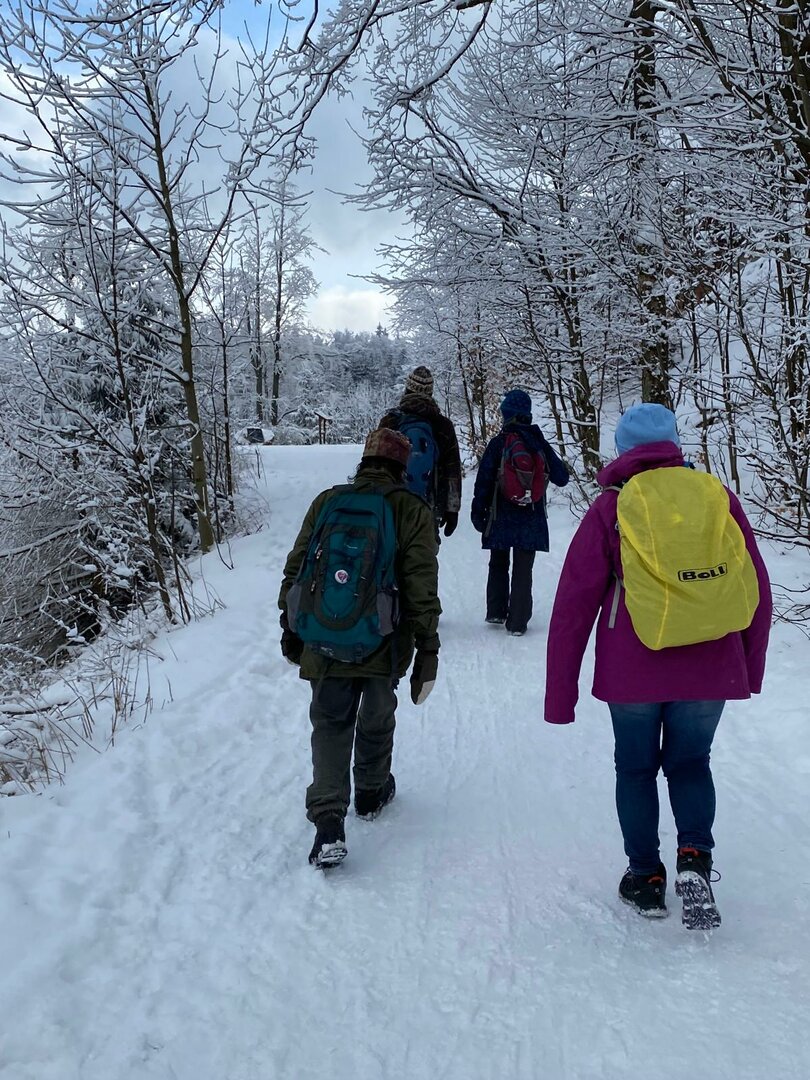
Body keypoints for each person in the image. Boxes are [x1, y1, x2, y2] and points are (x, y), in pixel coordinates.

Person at [544, 403, 772, 929]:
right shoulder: (717, 497)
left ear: (623, 451)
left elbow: (573, 604)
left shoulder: (611, 507)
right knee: (691, 763)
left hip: (633, 670)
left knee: (636, 768)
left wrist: (560, 695)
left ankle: (646, 877)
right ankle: (694, 857)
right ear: (675, 446)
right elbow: (755, 586)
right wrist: (749, 665)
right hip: (711, 664)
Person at [278, 428, 441, 869]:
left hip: (324, 635)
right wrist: (428, 643)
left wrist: (289, 623)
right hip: (383, 639)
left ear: (364, 461)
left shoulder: (328, 501)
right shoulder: (411, 509)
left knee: (330, 722)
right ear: (402, 467)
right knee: (377, 714)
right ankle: (370, 791)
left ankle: (329, 821)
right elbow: (421, 585)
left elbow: (296, 566)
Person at [470, 389, 569, 636]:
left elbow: (483, 481)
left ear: (506, 415)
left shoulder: (498, 443)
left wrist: (478, 512)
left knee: (498, 562)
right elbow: (562, 478)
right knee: (524, 569)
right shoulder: (538, 443)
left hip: (501, 514)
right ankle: (517, 622)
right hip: (531, 518)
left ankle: (496, 610)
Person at [379, 366, 463, 540]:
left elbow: (375, 464)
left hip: (392, 502)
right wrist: (452, 509)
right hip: (429, 504)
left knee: (391, 550)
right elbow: (452, 470)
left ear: (407, 389)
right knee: (422, 552)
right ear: (430, 393)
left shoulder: (390, 422)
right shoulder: (443, 426)